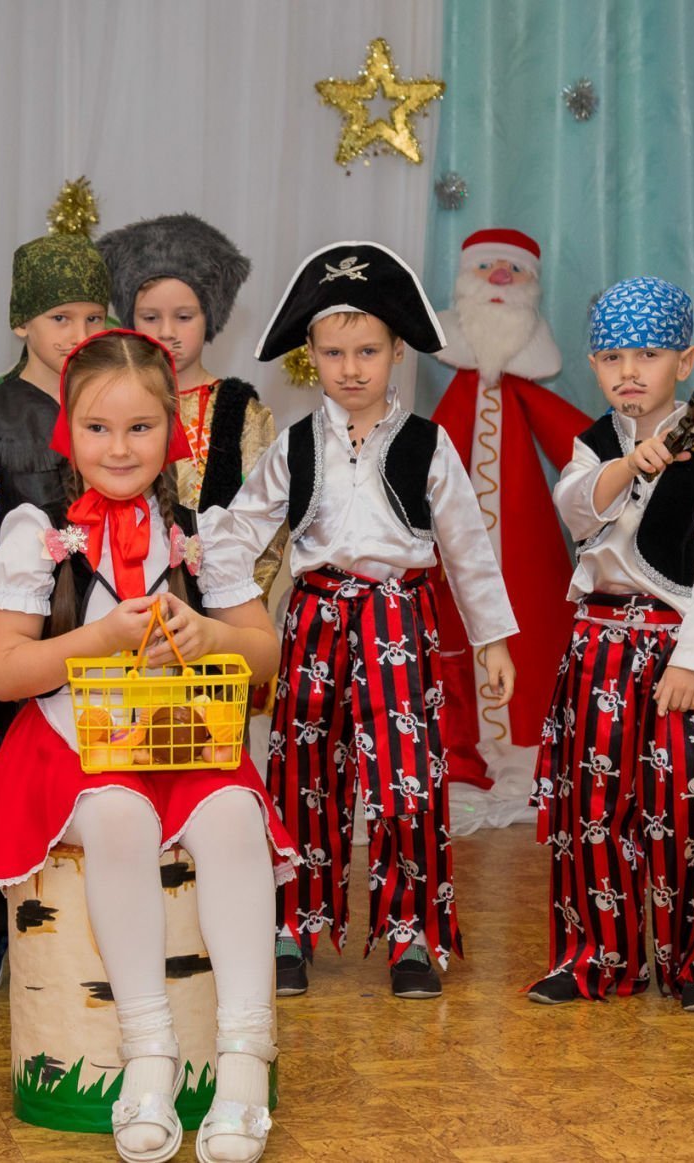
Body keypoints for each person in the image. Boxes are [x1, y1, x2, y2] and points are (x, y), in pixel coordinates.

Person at [0, 329, 295, 1163]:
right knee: (118, 816)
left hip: (184, 742)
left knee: (235, 817)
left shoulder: (200, 532)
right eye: (98, 428)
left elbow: (265, 655)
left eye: (140, 427)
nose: (119, 448)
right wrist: (99, 640)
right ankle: (148, 1053)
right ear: (67, 431)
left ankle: (243, 1056)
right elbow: (4, 673)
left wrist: (210, 635)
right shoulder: (37, 531)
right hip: (70, 748)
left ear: (171, 431)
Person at [199, 241, 519, 1000]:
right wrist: (237, 611)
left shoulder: (428, 444)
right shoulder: (295, 446)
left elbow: (468, 548)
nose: (351, 368)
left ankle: (413, 934)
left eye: (367, 351)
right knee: (303, 773)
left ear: (397, 350)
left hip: (398, 619)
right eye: (334, 352)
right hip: (313, 620)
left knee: (408, 781)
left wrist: (493, 640)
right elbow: (237, 531)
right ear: (310, 355)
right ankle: (292, 925)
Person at [525, 276, 694, 1013]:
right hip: (598, 650)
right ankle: (596, 957)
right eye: (612, 357)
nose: (629, 371)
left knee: (688, 807)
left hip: (676, 650)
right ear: (594, 366)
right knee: (592, 809)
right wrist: (628, 465)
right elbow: (575, 511)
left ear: (683, 362)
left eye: (648, 354)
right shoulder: (592, 449)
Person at [0, 232, 110, 996]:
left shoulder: (113, 398)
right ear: (22, 322)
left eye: (92, 317)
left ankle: (78, 925)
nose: (78, 333)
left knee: (92, 772)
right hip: (16, 636)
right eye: (59, 318)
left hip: (101, 629)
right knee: (1, 779)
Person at [428, 229, 591, 788]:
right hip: (456, 547)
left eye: (514, 270)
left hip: (525, 540)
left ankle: (534, 728)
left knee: (535, 625)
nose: (500, 278)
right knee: (453, 627)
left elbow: (570, 436)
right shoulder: (459, 394)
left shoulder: (524, 391)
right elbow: (431, 450)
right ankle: (463, 739)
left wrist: (619, 461)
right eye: (488, 268)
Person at [96, 213, 286, 593]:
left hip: (218, 602)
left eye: (184, 317)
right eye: (151, 317)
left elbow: (265, 523)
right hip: (123, 599)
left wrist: (234, 604)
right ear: (131, 320)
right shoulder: (108, 401)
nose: (167, 332)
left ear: (209, 317)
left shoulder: (243, 413)